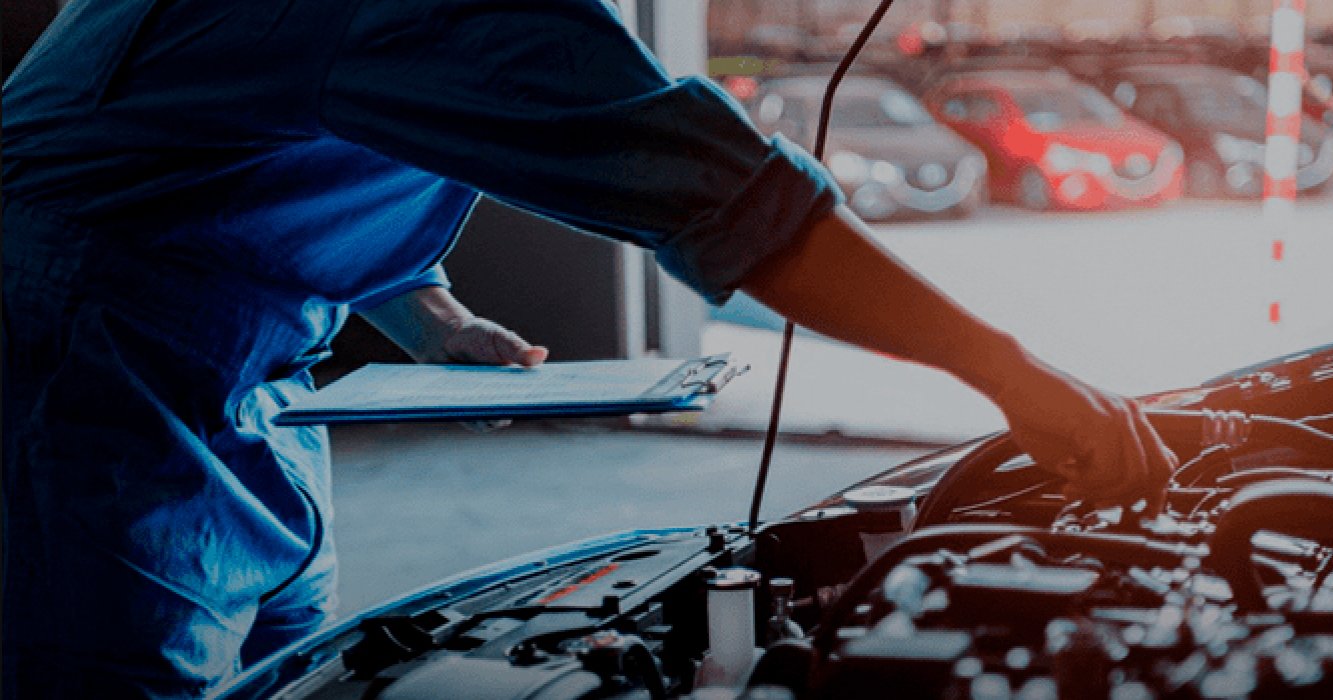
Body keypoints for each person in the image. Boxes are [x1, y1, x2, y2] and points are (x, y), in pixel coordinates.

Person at [0, 0, 1176, 695]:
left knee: (301, 669)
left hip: (228, 362)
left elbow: (264, 136)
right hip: (80, 363)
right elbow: (723, 198)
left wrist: (428, 309)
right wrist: (1010, 373)